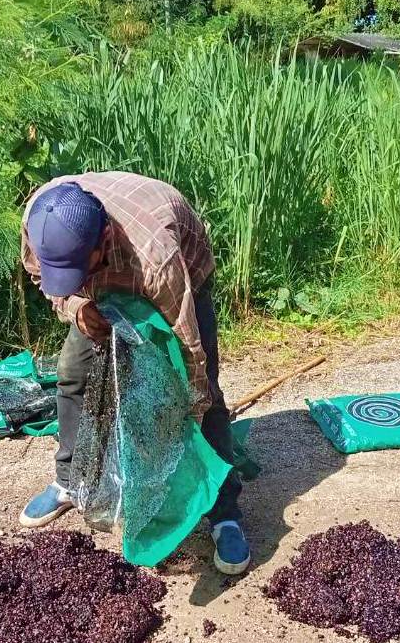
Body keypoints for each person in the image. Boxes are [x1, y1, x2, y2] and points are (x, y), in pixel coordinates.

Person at [17, 171, 251, 576]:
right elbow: (44, 279)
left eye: (80, 270)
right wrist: (77, 308)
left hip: (180, 279)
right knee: (72, 373)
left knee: (203, 392)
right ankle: (71, 481)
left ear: (103, 240)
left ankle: (223, 510)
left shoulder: (155, 258)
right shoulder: (41, 218)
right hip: (103, 286)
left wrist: (185, 425)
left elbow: (188, 348)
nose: (75, 280)